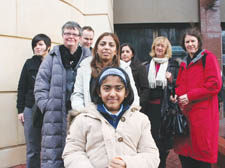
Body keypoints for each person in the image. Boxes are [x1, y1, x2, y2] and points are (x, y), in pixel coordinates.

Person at [62, 67, 160, 168]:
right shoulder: (83, 119)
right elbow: (72, 152)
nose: (112, 94)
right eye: (107, 88)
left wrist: (128, 163)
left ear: (126, 92)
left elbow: (151, 156)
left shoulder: (140, 120)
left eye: (118, 88)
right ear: (99, 92)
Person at [34, 21, 92, 168]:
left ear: (79, 37)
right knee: (53, 153)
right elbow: (40, 84)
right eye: (67, 33)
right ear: (62, 35)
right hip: (55, 113)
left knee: (81, 152)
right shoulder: (52, 56)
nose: (70, 36)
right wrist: (46, 105)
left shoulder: (89, 57)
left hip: (81, 112)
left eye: (74, 34)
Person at [172, 28, 222, 168]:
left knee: (201, 157)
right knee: (186, 156)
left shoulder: (208, 58)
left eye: (193, 41)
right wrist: (176, 95)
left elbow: (214, 85)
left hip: (203, 116)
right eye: (187, 41)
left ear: (198, 42)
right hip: (186, 115)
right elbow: (180, 85)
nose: (190, 44)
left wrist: (190, 96)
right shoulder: (184, 62)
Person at [70, 32, 140, 113]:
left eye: (111, 45)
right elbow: (77, 95)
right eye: (102, 44)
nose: (106, 47)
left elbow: (133, 94)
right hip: (91, 117)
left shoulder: (124, 68)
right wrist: (83, 113)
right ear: (96, 49)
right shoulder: (85, 67)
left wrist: (130, 114)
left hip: (119, 118)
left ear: (116, 51)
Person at [17, 34, 51, 168]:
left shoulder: (55, 63)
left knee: (51, 145)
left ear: (48, 47)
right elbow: (21, 87)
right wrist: (20, 110)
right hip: (30, 107)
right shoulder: (29, 63)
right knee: (32, 146)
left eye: (40, 44)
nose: (37, 47)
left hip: (49, 107)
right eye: (35, 45)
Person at [145, 36, 178, 168]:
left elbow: (178, 87)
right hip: (149, 108)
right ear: (154, 48)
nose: (159, 48)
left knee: (162, 141)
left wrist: (171, 80)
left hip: (164, 109)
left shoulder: (173, 66)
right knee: (150, 139)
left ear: (166, 49)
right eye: (157, 46)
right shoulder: (147, 66)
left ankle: (162, 164)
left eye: (162, 46)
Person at [120, 43, 149, 111]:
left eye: (127, 51)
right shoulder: (117, 67)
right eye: (122, 52)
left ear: (132, 54)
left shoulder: (140, 67)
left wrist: (139, 103)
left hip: (135, 104)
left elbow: (145, 88)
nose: (124, 54)